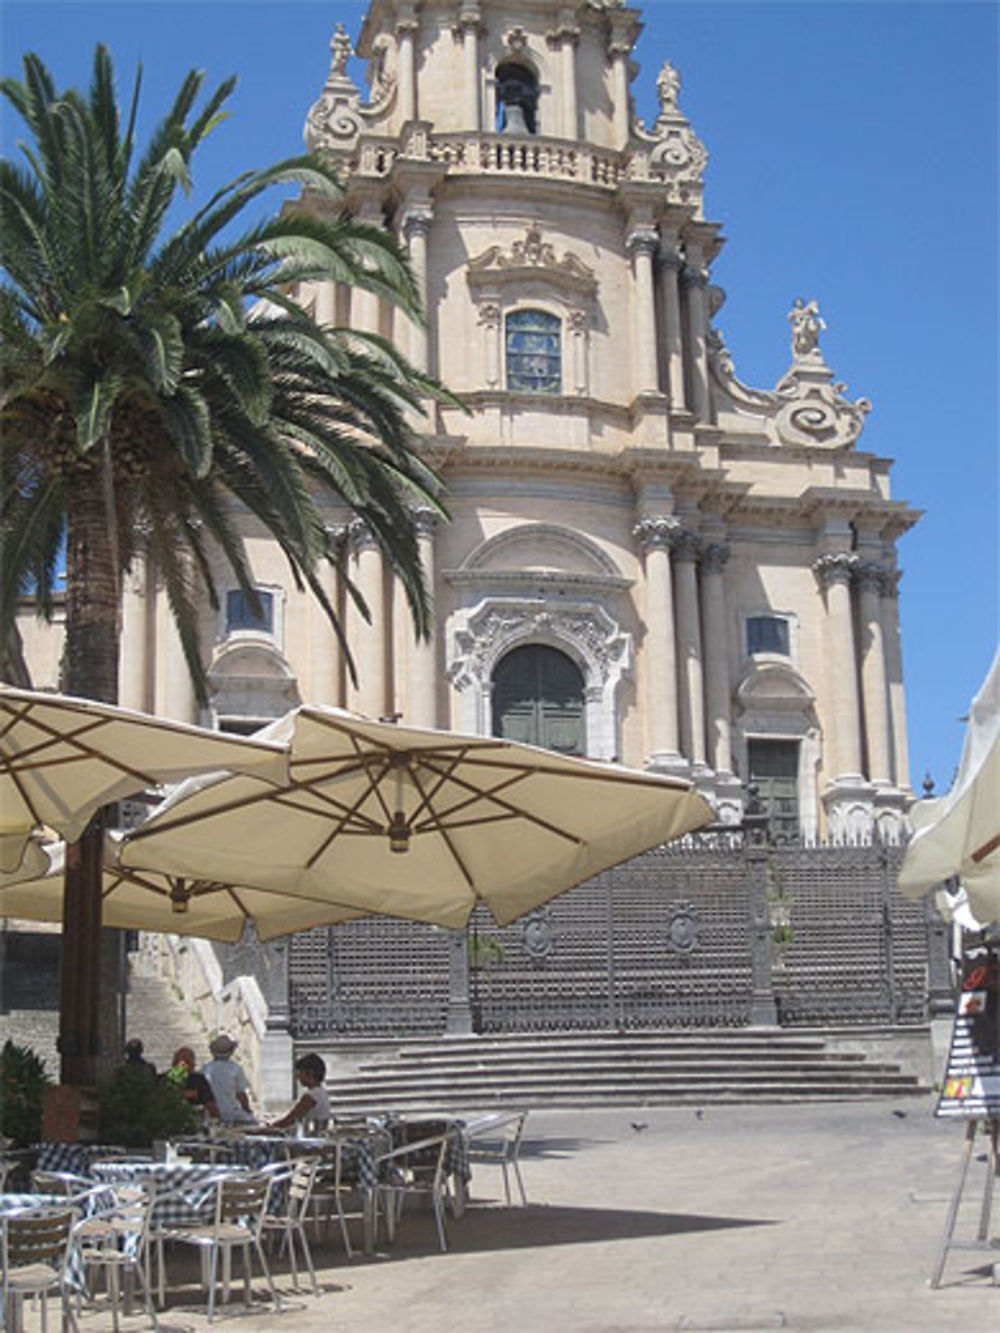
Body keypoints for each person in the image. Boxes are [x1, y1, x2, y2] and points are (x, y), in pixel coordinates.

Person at [267, 1054, 330, 1132]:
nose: (298, 1076)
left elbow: (290, 1120)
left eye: (300, 1072)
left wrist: (268, 1129)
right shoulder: (320, 1092)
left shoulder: (312, 1096)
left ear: (310, 1073)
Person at [200, 1034, 255, 1124]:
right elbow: (241, 1094)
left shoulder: (206, 1069)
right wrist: (247, 1109)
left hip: (211, 1113)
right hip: (231, 1112)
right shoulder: (236, 1068)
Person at [169, 1047, 218, 1119]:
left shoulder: (163, 1079)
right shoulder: (199, 1080)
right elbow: (211, 1106)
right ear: (192, 1064)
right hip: (193, 1121)